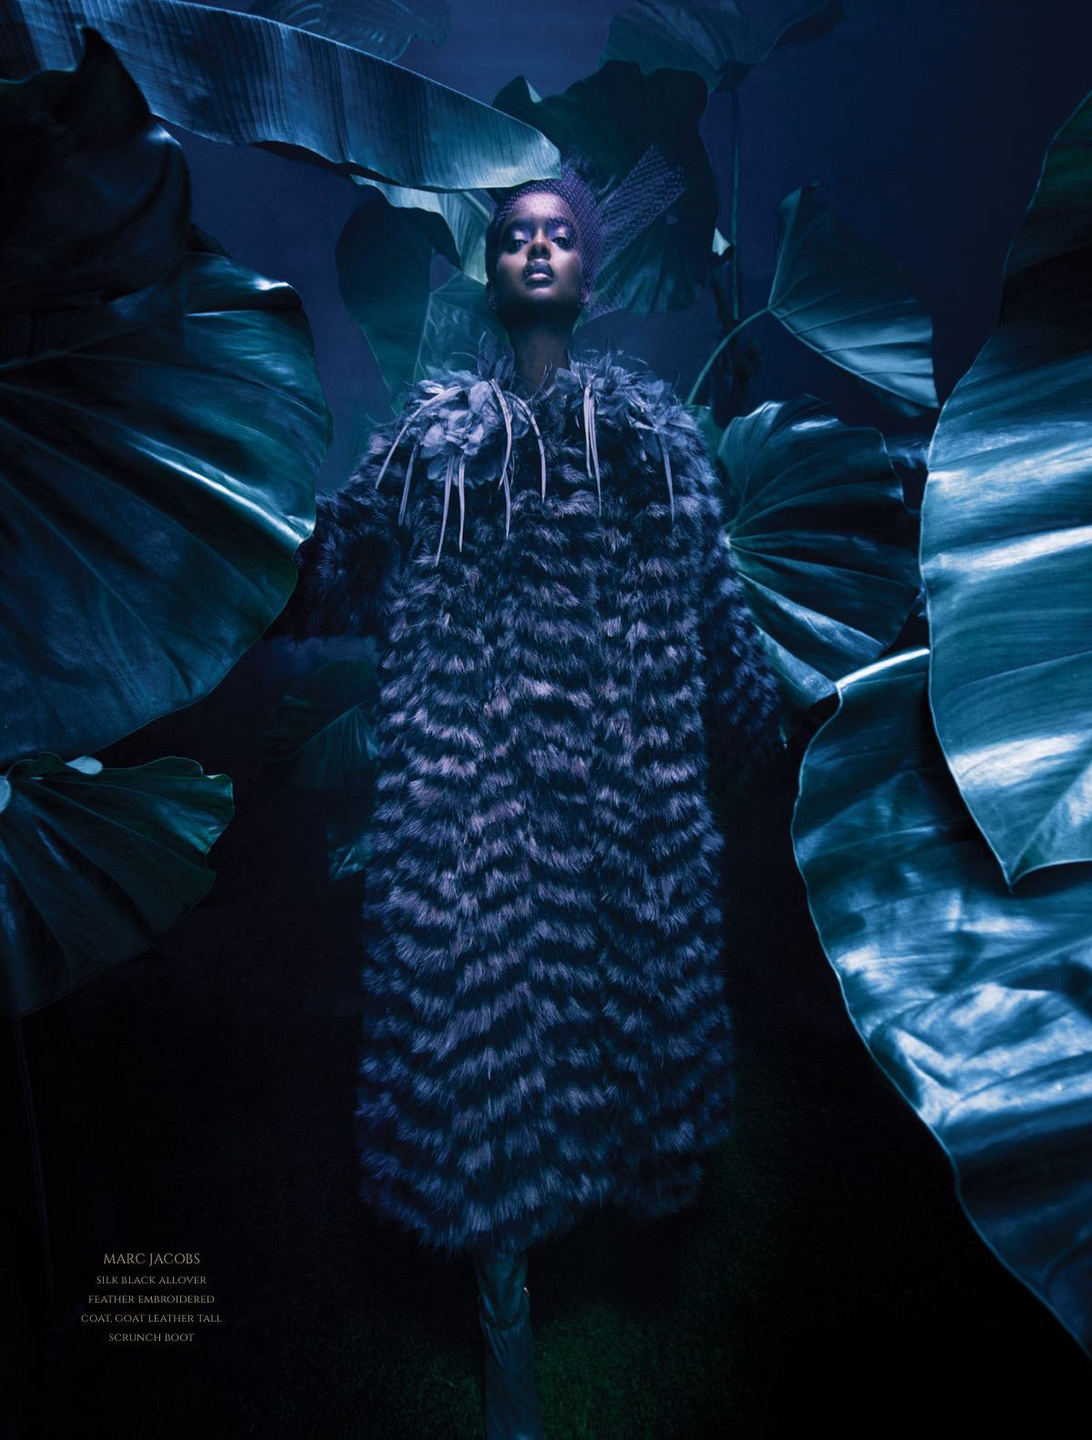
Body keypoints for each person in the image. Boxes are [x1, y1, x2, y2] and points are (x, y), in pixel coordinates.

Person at [273, 166, 783, 1439]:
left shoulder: (652, 445)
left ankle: (616, 1250)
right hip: (473, 808)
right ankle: (506, 1329)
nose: (539, 249)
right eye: (515, 236)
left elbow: (716, 608)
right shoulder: (432, 451)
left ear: (590, 272)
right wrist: (227, 531)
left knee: (620, 1024)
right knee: (481, 1052)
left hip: (621, 797)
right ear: (490, 270)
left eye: (560, 235)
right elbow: (329, 576)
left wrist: (758, 717)